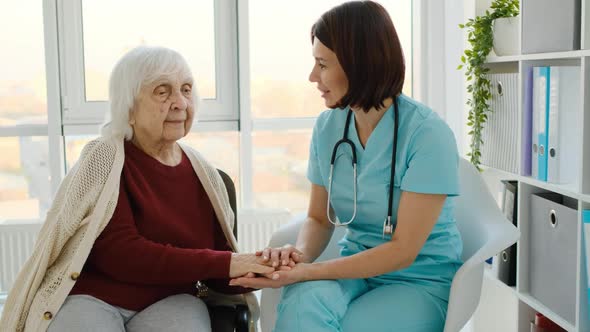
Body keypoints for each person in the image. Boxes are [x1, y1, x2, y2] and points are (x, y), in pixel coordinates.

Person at [0, 46, 275, 332]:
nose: (180, 102)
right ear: (128, 107)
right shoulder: (104, 158)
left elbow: (216, 269)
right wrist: (230, 262)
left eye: (186, 89)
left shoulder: (206, 175)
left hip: (173, 299)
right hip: (94, 298)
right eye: (162, 91)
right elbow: (121, 254)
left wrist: (263, 265)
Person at [229, 1, 463, 331]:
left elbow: (403, 251)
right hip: (352, 271)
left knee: (352, 324)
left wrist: (308, 272)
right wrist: (296, 257)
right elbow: (317, 218)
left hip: (417, 280)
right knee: (298, 304)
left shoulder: (428, 135)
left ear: (360, 64)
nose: (313, 77)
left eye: (322, 64)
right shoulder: (329, 127)